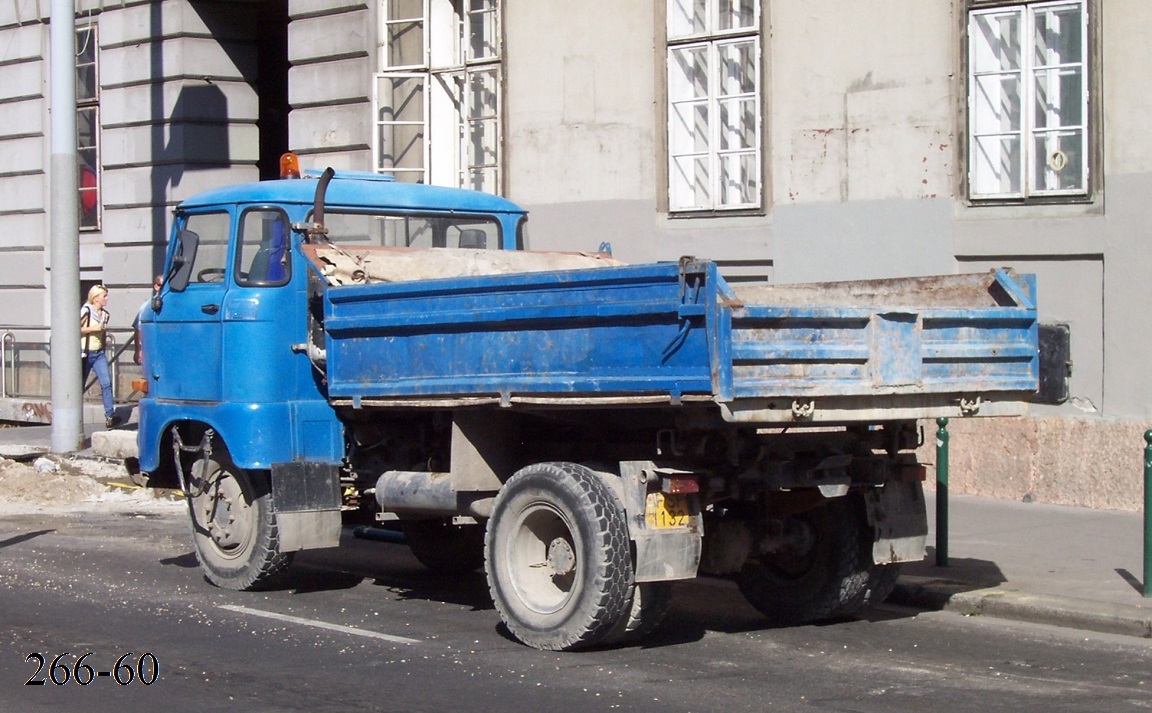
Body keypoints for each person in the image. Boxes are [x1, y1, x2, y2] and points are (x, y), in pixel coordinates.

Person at [80, 284, 118, 428]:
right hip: (85, 353)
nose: (107, 299)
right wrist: (93, 328)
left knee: (106, 383)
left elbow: (102, 334)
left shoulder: (105, 314)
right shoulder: (86, 311)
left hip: (98, 353)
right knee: (79, 385)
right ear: (96, 298)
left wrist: (103, 345)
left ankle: (109, 416)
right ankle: (74, 414)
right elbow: (76, 329)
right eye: (104, 296)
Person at [133, 275, 163, 365]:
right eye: (162, 285)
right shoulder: (147, 306)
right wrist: (139, 350)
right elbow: (138, 329)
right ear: (156, 286)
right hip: (151, 349)